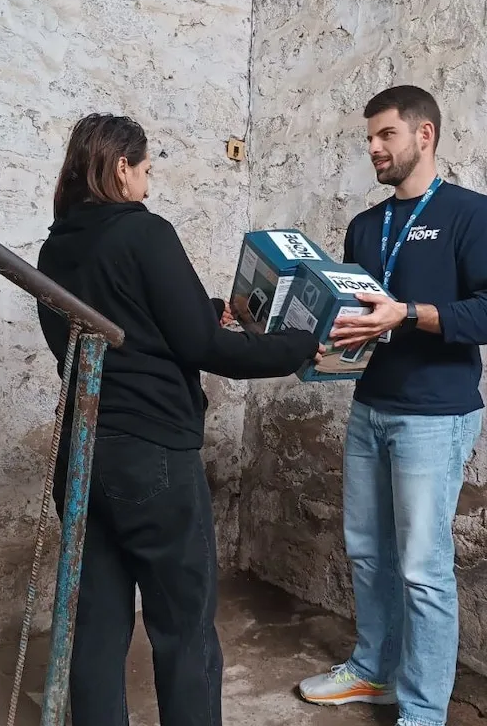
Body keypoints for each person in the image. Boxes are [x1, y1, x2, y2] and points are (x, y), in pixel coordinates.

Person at [36, 113, 321, 726]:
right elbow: (202, 348)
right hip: (152, 456)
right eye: (145, 168)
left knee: (98, 621)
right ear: (120, 167)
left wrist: (209, 309)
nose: (148, 178)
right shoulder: (145, 233)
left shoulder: (55, 248)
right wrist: (300, 345)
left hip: (84, 453)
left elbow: (138, 322)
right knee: (183, 625)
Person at [297, 86, 487, 726]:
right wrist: (321, 343)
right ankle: (372, 671)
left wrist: (410, 315)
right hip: (369, 407)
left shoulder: (473, 216)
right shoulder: (365, 226)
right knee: (367, 550)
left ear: (424, 136)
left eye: (385, 135)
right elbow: (355, 317)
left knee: (423, 570)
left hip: (436, 414)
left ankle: (423, 712)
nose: (373, 148)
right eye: (369, 137)